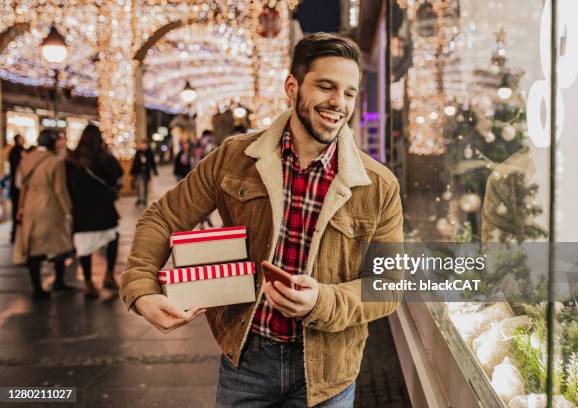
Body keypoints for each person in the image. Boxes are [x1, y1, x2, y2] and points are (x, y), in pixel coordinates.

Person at [119, 33, 403, 407]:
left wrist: (323, 300)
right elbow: (163, 216)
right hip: (247, 361)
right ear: (292, 86)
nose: (339, 103)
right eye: (325, 86)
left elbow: (390, 284)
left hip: (328, 371)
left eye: (349, 93)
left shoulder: (378, 184)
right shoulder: (235, 158)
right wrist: (141, 288)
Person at [13, 129, 74, 299]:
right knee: (59, 244)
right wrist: (68, 210)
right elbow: (60, 190)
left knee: (34, 248)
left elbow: (20, 186)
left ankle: (37, 288)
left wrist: (21, 208)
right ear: (53, 142)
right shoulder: (55, 161)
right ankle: (59, 281)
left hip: (31, 205)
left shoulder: (26, 159)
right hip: (50, 205)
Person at [66, 124, 123, 299]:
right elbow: (118, 175)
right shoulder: (104, 157)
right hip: (103, 207)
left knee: (84, 245)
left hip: (82, 209)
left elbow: (68, 184)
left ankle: (88, 282)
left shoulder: (72, 159)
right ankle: (109, 275)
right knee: (112, 238)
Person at [9, 134, 25, 243]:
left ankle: (15, 233)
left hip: (15, 185)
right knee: (19, 209)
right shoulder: (20, 152)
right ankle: (17, 234)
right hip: (19, 186)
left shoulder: (12, 152)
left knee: (16, 209)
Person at [130, 140, 157, 206]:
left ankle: (144, 199)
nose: (142, 146)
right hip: (138, 172)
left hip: (146, 172)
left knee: (145, 186)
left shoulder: (149, 152)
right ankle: (139, 199)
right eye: (141, 144)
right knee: (138, 185)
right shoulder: (138, 152)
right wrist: (132, 171)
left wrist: (155, 170)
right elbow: (135, 162)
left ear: (146, 145)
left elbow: (152, 162)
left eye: (143, 144)